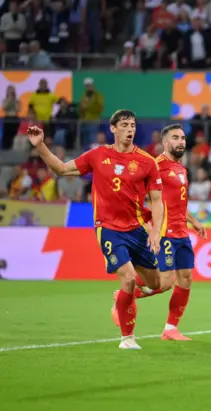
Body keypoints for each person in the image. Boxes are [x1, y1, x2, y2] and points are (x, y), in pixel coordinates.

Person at [26, 110, 164, 350]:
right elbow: (61, 169)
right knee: (129, 278)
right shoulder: (98, 155)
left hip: (137, 229)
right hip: (108, 228)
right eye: (124, 125)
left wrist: (155, 232)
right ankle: (127, 338)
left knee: (155, 283)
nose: (129, 129)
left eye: (132, 124)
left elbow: (157, 200)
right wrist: (40, 146)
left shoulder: (147, 161)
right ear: (113, 129)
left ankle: (119, 298)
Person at [111, 124, 207, 341]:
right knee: (164, 283)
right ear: (165, 143)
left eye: (182, 137)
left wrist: (194, 222)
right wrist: (147, 226)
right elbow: (138, 197)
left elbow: (177, 203)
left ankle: (170, 329)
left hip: (182, 232)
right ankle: (125, 296)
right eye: (175, 138)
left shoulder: (181, 169)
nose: (181, 141)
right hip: (165, 233)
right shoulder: (155, 166)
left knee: (186, 278)